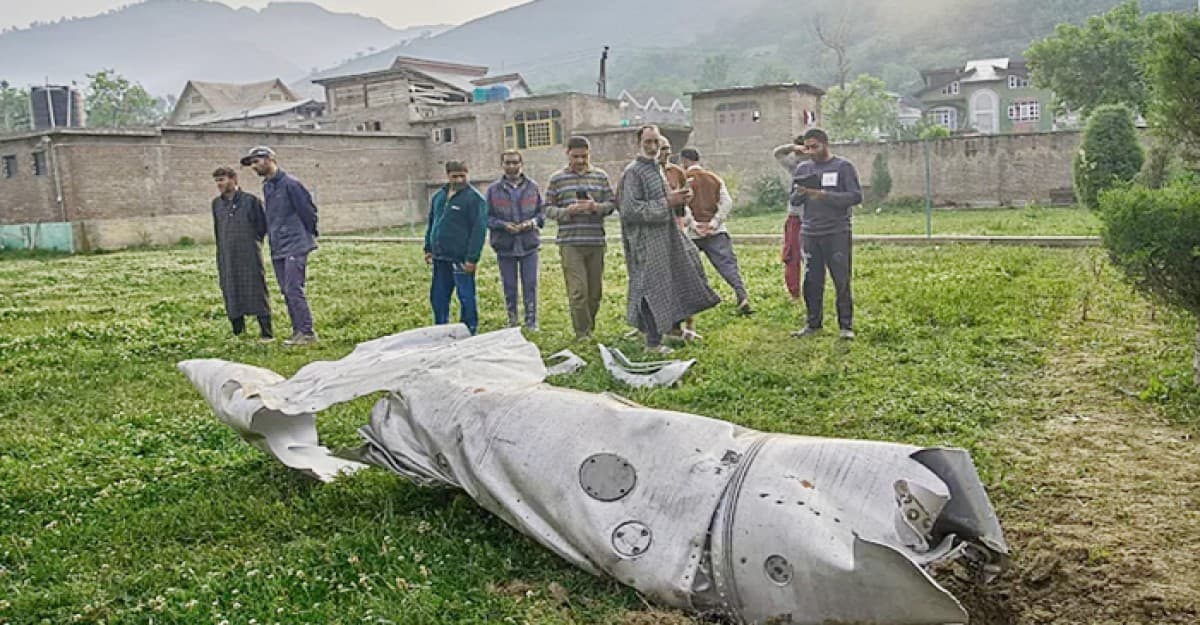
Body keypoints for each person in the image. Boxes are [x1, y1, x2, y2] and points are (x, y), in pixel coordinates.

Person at [618, 125, 720, 354]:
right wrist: (667, 202)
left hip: (666, 236)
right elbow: (630, 210)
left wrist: (681, 199)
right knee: (650, 288)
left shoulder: (657, 170)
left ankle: (672, 329)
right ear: (639, 143)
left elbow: (669, 202)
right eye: (648, 142)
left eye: (656, 142)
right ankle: (652, 343)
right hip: (646, 241)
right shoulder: (633, 172)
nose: (653, 147)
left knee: (679, 275)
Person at [788, 128, 862, 340]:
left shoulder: (843, 167)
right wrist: (801, 193)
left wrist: (824, 195)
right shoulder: (803, 168)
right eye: (807, 147)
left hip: (837, 231)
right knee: (812, 280)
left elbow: (855, 196)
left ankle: (845, 326)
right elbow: (793, 200)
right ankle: (813, 324)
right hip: (810, 232)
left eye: (814, 147)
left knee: (841, 279)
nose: (810, 151)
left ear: (825, 144)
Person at [241, 146, 319, 347]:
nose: (254, 167)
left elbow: (308, 210)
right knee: (286, 290)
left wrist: (307, 235)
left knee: (294, 288)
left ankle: (307, 332)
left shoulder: (291, 184)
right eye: (252, 164)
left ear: (269, 159)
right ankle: (297, 332)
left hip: (295, 243)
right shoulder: (267, 186)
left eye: (256, 162)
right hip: (278, 246)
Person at [544, 136, 616, 341]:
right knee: (578, 291)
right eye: (576, 156)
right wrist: (567, 211)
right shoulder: (557, 179)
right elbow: (547, 208)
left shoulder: (600, 176)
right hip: (570, 242)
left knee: (595, 293)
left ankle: (589, 327)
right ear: (567, 154)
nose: (580, 161)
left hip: (595, 241)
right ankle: (582, 334)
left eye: (584, 156)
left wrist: (595, 207)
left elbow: (611, 204)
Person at [678, 148, 752, 315]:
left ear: (684, 161)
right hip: (716, 231)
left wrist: (694, 224)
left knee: (690, 267)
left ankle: (699, 300)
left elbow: (682, 205)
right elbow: (726, 202)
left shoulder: (685, 180)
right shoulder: (714, 178)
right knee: (727, 265)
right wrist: (714, 223)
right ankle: (742, 295)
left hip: (693, 232)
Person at [210, 167, 273, 342]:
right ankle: (238, 332)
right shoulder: (216, 204)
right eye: (217, 181)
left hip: (249, 254)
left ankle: (266, 332)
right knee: (231, 289)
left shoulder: (251, 201)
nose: (219, 184)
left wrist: (251, 243)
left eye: (222, 180)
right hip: (226, 256)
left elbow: (262, 227)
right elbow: (218, 230)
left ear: (234, 179)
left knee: (256, 290)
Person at [425, 161, 488, 335]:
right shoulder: (439, 197)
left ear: (468, 174)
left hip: (461, 259)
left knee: (466, 296)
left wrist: (472, 258)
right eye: (455, 176)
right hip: (440, 257)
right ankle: (440, 329)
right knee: (438, 296)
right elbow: (432, 222)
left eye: (463, 175)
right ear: (448, 176)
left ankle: (469, 330)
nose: (460, 179)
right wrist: (428, 248)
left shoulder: (475, 199)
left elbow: (479, 231)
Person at [485, 150, 543, 330]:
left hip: (529, 244)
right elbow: (486, 218)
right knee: (509, 285)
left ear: (521, 164)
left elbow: (542, 214)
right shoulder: (493, 190)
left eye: (515, 163)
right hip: (505, 245)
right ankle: (512, 320)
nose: (511, 166)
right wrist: (503, 225)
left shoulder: (533, 187)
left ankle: (531, 321)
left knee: (530, 284)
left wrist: (531, 223)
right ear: (502, 165)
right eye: (508, 163)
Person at [773, 136, 808, 303]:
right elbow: (778, 153)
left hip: (815, 216)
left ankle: (813, 290)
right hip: (795, 215)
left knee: (813, 256)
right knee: (792, 255)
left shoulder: (822, 164)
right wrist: (793, 147)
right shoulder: (796, 165)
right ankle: (794, 293)